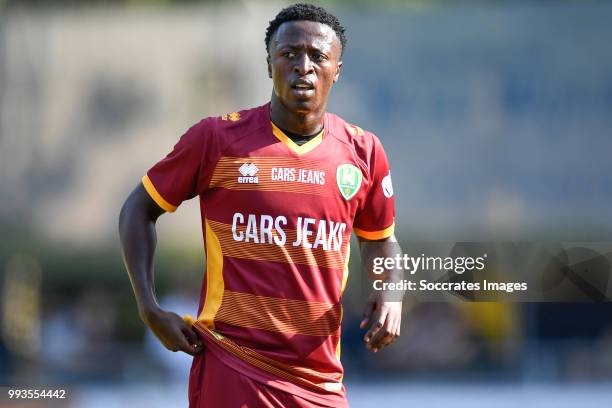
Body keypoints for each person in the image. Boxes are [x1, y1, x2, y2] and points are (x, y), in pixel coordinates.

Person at [119, 3, 403, 407]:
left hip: (319, 381)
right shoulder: (217, 139)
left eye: (318, 56)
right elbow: (137, 209)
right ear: (269, 65)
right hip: (232, 366)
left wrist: (391, 291)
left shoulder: (363, 152)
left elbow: (380, 239)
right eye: (289, 54)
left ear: (336, 70)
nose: (303, 66)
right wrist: (149, 309)